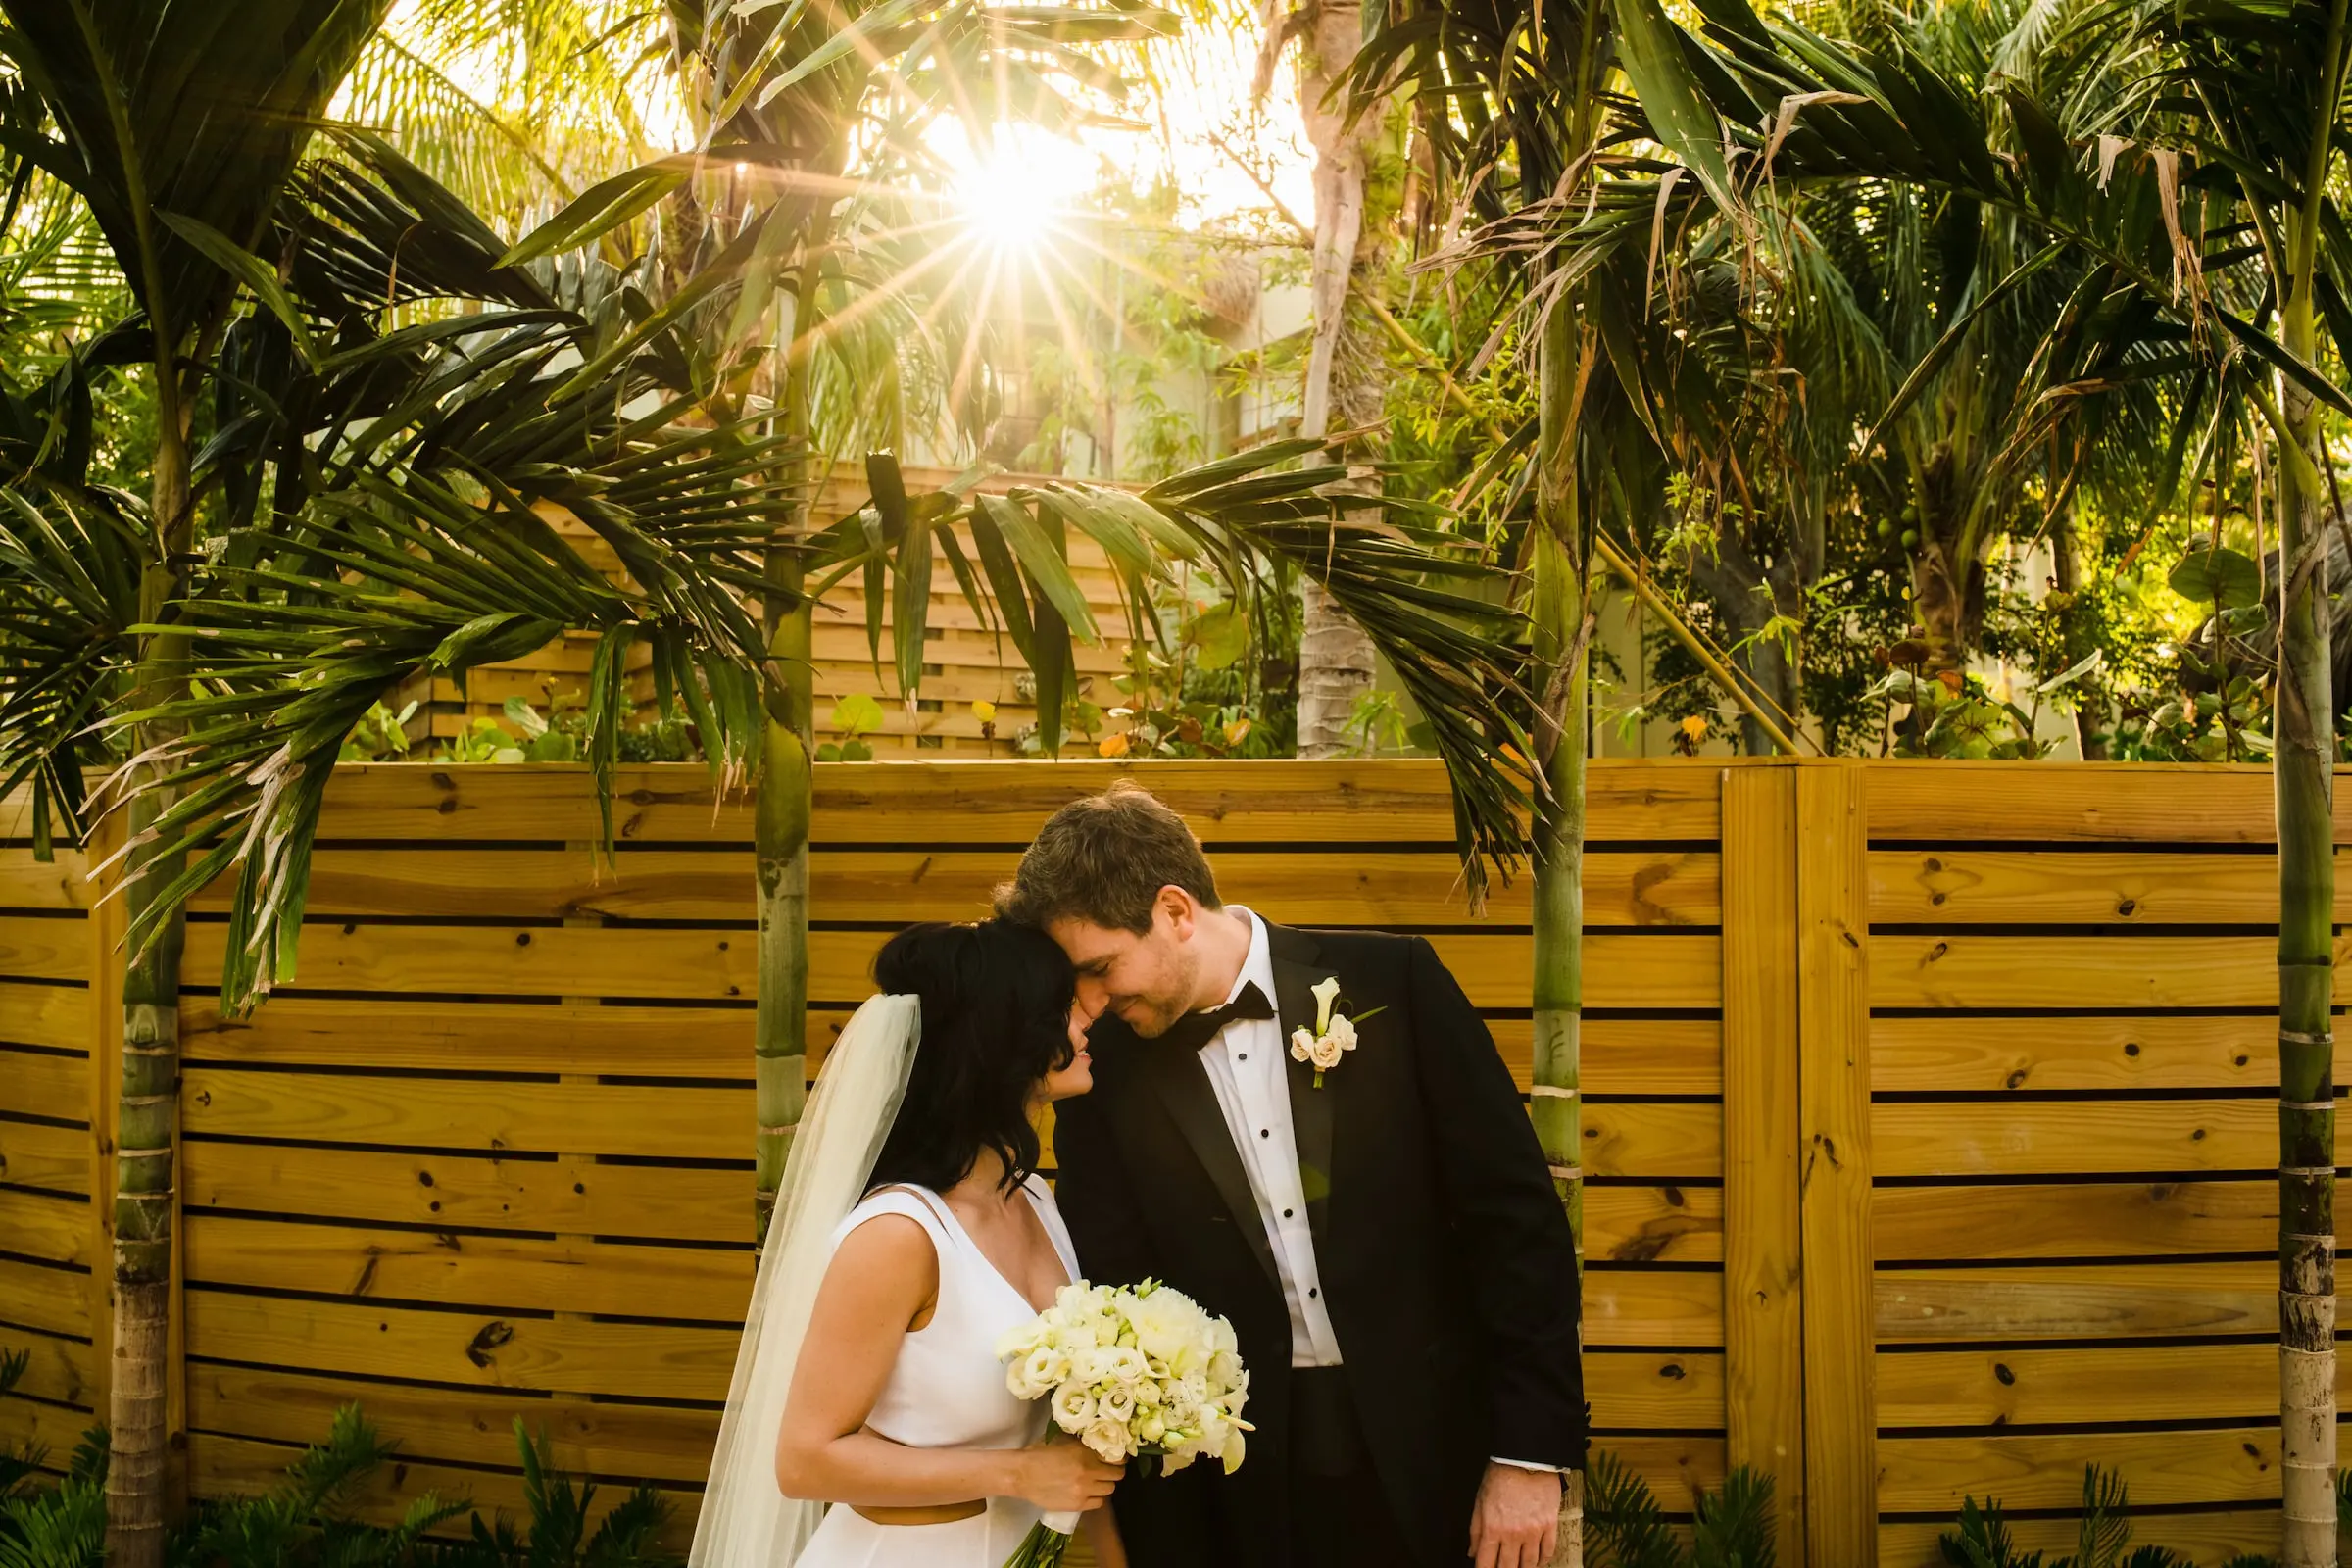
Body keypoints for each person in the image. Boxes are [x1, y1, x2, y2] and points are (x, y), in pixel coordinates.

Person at [1000, 782, 1588, 1568]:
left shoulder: (1394, 984)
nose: (1095, 1003)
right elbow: (1116, 1277)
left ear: (1175, 910)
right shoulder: (1105, 1072)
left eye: (1102, 968)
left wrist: (1527, 1455)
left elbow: (1517, 1225)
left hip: (1440, 1450)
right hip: (1232, 1486)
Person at [690, 919, 1130, 1568]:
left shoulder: (1034, 1200)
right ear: (1005, 1038)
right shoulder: (899, 1234)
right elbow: (805, 1461)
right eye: (1061, 1008)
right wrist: (1016, 1475)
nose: (1087, 1021)